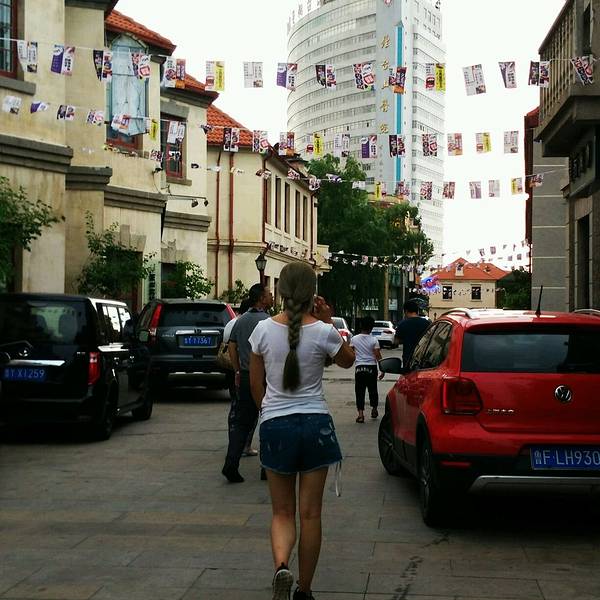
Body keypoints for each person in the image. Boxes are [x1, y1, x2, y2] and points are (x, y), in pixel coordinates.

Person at [249, 262, 355, 600]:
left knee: (282, 512)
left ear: (280, 291)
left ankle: (282, 565)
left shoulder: (262, 330)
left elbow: (256, 386)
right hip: (315, 424)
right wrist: (328, 321)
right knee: (310, 514)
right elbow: (348, 360)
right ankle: (304, 589)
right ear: (313, 294)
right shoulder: (323, 331)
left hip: (276, 424)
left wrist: (268, 414)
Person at [221, 284, 273, 483]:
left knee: (241, 422)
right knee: (268, 419)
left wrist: (237, 370)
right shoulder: (268, 322)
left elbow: (232, 346)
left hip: (244, 375)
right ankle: (266, 467)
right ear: (261, 298)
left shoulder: (240, 320)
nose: (272, 296)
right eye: (269, 294)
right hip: (265, 377)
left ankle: (231, 463)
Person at [222, 297, 258, 457]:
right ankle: (245, 445)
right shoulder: (252, 323)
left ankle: (235, 443)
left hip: (232, 369)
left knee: (236, 408)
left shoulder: (232, 323)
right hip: (246, 370)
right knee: (250, 411)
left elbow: (227, 343)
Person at [350, 316, 383, 423]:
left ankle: (360, 415)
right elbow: (377, 355)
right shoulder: (374, 340)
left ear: (361, 326)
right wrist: (382, 369)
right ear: (371, 327)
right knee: (373, 389)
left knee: (359, 391)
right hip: (371, 368)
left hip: (359, 368)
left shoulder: (354, 339)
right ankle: (374, 409)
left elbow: (351, 352)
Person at [394, 300, 430, 368]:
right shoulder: (427, 323)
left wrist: (406, 339)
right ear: (417, 311)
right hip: (424, 359)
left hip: (408, 359)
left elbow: (396, 341)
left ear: (406, 311)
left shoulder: (402, 324)